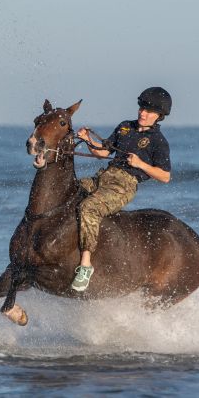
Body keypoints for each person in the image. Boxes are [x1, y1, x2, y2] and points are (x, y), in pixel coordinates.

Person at [70, 87, 172, 292]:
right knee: (69, 191)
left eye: (149, 111)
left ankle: (86, 266)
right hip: (103, 177)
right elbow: (103, 152)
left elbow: (165, 176)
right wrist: (88, 139)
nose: (143, 113)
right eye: (142, 108)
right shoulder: (125, 127)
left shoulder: (158, 142)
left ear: (159, 116)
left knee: (89, 207)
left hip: (124, 185)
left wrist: (141, 164)